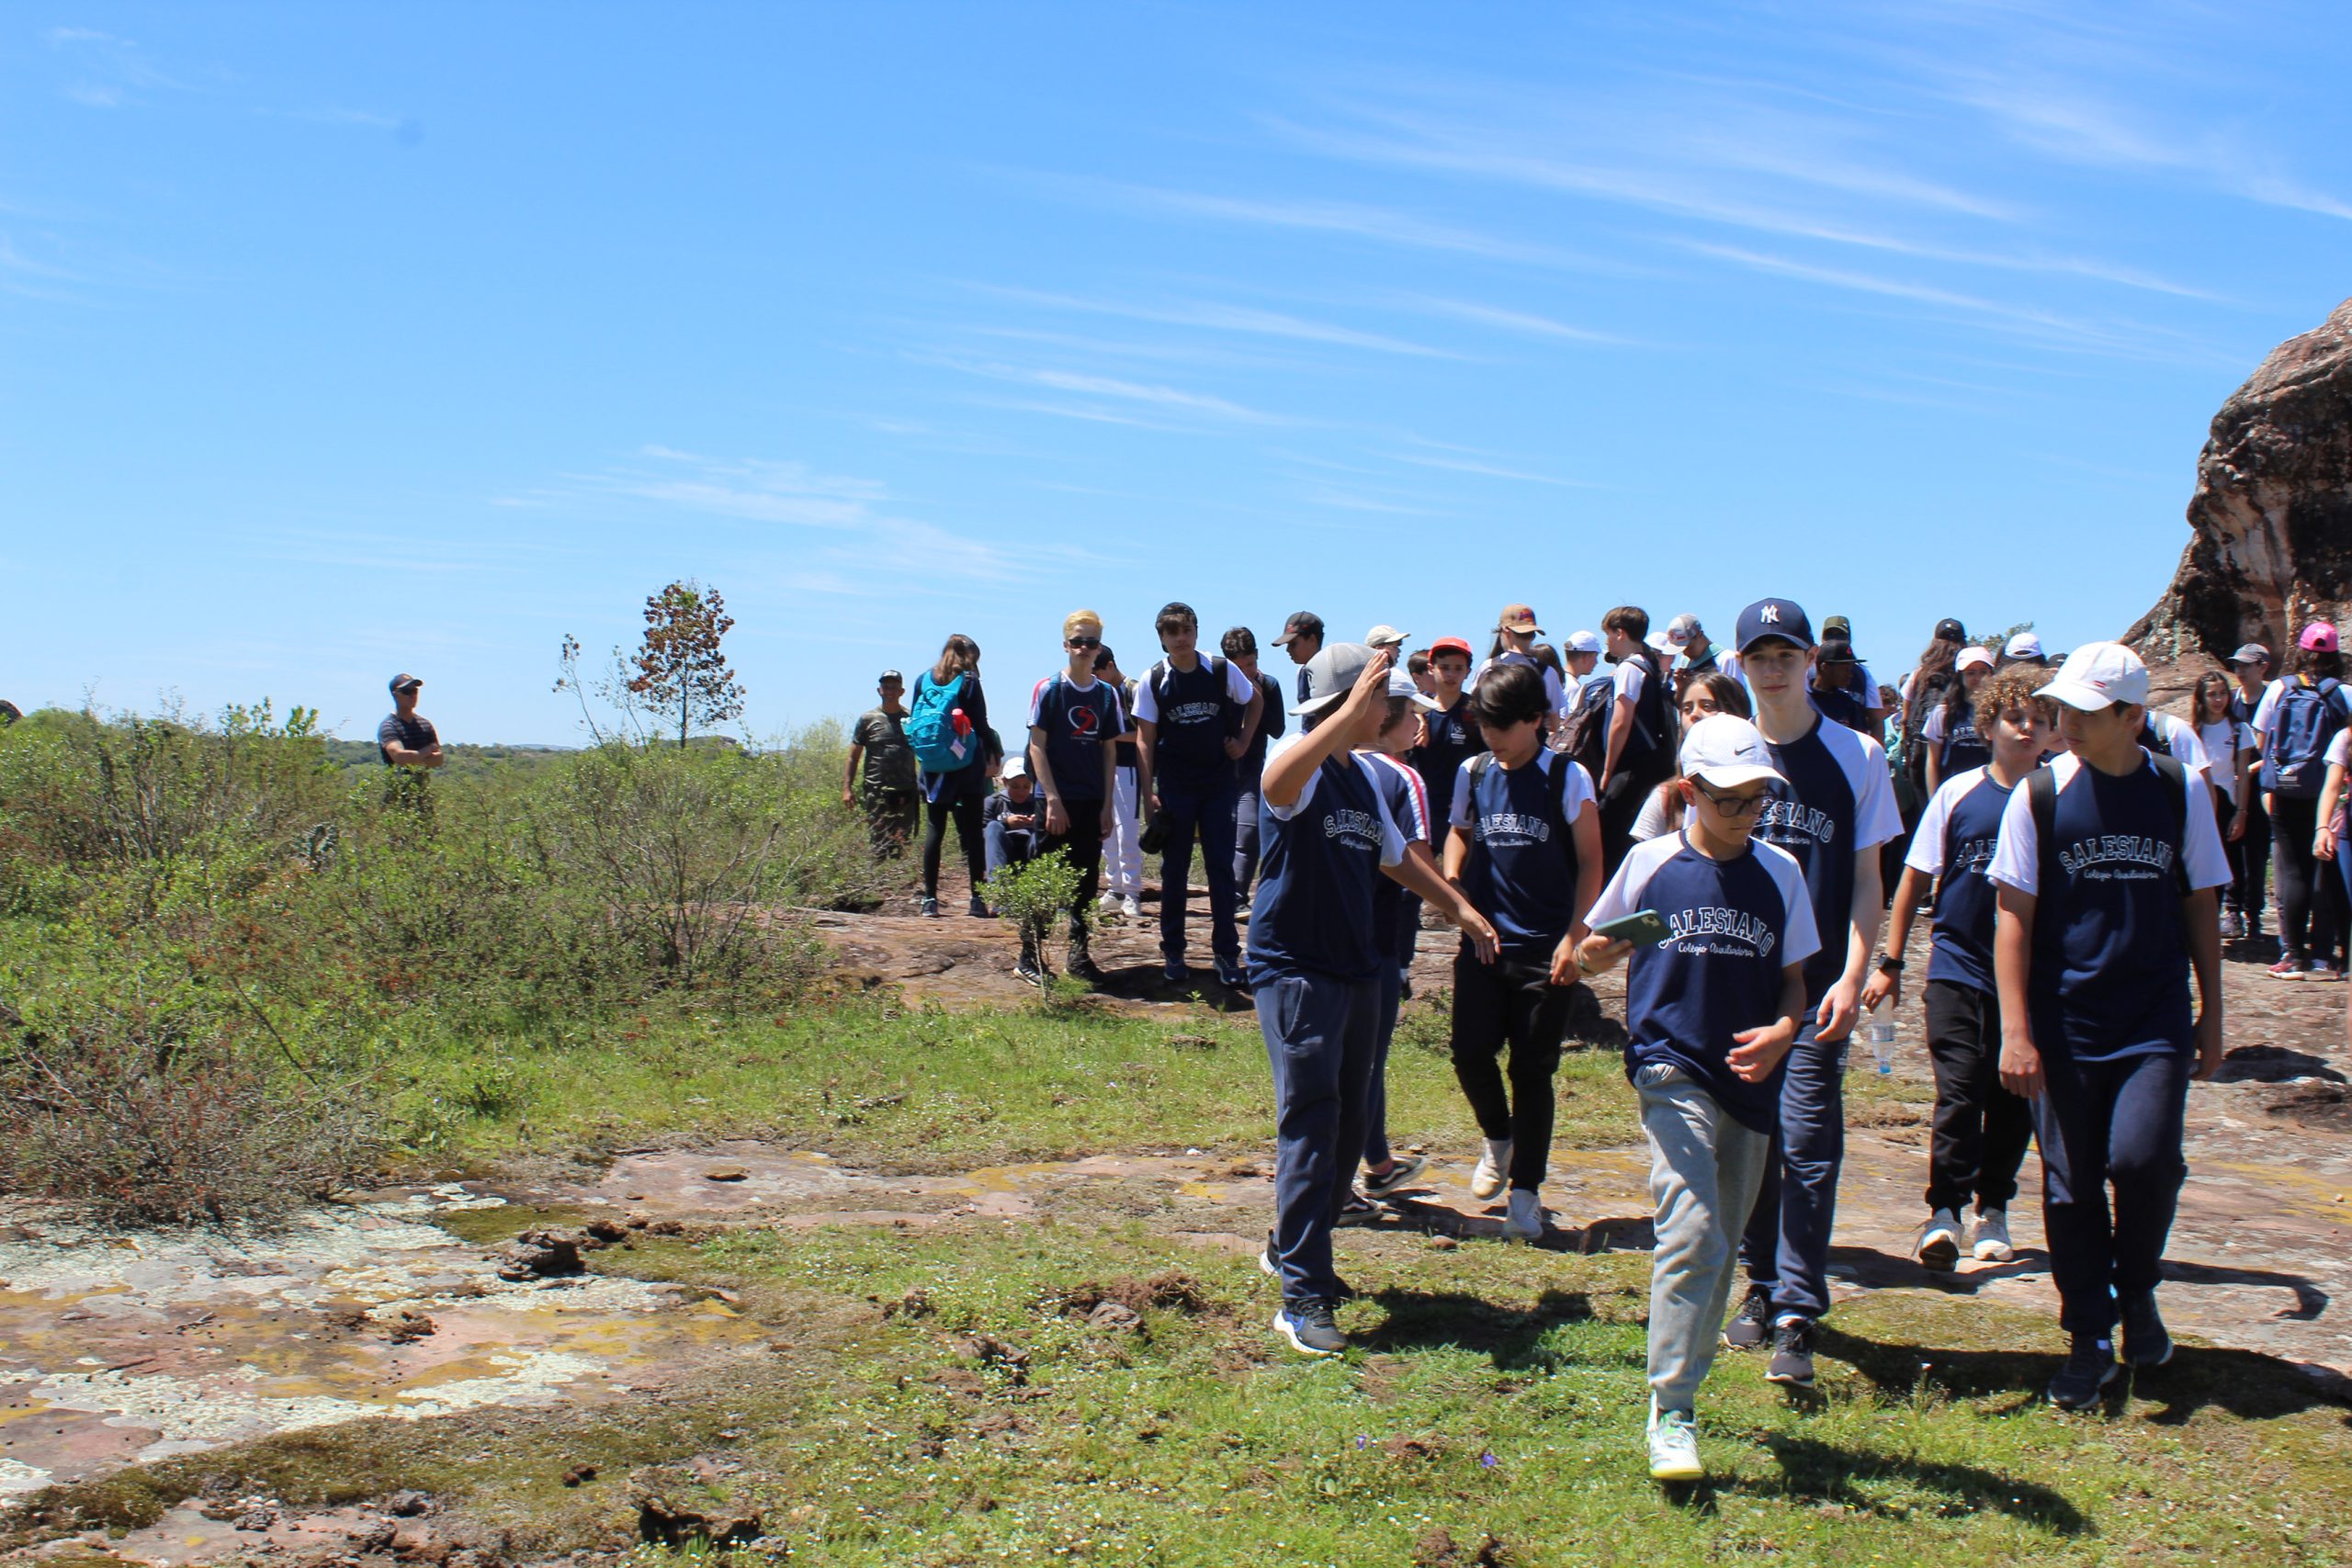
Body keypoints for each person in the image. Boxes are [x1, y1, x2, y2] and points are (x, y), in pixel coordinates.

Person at [1574, 714, 1816, 1483]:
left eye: (1757, 800)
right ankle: (1671, 1407)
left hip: (1749, 1082)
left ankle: (1682, 1387)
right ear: (1690, 792)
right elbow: (1589, 954)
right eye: (1730, 800)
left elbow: (1795, 982)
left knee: (1720, 1245)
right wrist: (1598, 949)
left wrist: (1784, 1030)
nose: (1746, 815)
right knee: (1695, 1228)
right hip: (1668, 1066)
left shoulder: (1781, 872)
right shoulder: (1650, 862)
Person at [1988, 640, 2226, 1407]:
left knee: (2145, 1159)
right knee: (2069, 1185)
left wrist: (2213, 1012)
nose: (2066, 723)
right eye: (2063, 708)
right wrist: (2017, 1031)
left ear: (2131, 716)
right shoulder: (2041, 795)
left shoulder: (2180, 789)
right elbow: (2013, 917)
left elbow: (2200, 904)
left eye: (2086, 712)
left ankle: (2140, 1285)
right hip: (2066, 1022)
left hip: (2151, 1016)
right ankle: (2089, 1332)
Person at [1250, 642, 1498, 1358]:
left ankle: (1290, 1243)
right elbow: (1276, 783)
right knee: (1313, 1119)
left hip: (1358, 967)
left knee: (1354, 1119)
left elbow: (1397, 859)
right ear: (1350, 704)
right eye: (1386, 701)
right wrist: (1351, 710)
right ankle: (1303, 1294)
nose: (1398, 713)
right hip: (1296, 967)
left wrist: (1461, 909)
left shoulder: (1363, 779)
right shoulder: (1295, 765)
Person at [1720, 598, 1901, 1390]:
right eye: (1758, 654)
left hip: (1819, 988)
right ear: (1740, 665)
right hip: (1733, 983)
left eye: (1785, 653)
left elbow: (1868, 881)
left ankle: (1797, 1310)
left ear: (1809, 662)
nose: (1773, 666)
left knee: (1807, 1143)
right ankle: (1759, 1285)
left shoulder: (1856, 753)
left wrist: (1859, 970)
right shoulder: (1723, 749)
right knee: (1751, 1148)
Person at [1863, 664, 2049, 1274]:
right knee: (1961, 1089)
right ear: (1988, 725)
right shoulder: (1958, 793)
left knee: (2012, 1094)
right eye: (2014, 717)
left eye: (2039, 720)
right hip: (1958, 965)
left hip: (2028, 977)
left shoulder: (2055, 796)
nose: (2026, 729)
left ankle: (1992, 1209)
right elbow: (1914, 876)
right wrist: (1890, 961)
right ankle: (1943, 1210)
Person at [1443, 662, 1605, 1243]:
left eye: (1504, 727)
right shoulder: (1474, 772)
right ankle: (1499, 1139)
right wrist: (1455, 884)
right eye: (1485, 725)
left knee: (1532, 1070)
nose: (1493, 738)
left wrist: (1574, 936)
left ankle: (1527, 1197)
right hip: (1484, 942)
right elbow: (1458, 833)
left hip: (1546, 951)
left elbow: (1591, 862)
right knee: (1468, 1053)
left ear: (1536, 719)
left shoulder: (1567, 777)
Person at [1136, 603, 1265, 989]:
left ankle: (1226, 953)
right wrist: (1148, 794)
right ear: (1162, 638)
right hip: (1175, 786)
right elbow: (1144, 737)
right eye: (1172, 632)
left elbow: (1255, 699)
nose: (1180, 638)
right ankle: (1173, 951)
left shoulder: (1219, 669)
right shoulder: (1154, 678)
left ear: (1196, 631)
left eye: (1186, 630)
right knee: (1173, 871)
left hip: (1217, 783)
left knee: (1220, 869)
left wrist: (1243, 740)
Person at [1359, 669, 1446, 1205]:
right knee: (1371, 1056)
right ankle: (1370, 1163)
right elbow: (1417, 860)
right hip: (1385, 934)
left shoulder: (1338, 767)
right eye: (1414, 714)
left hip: (1335, 930)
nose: (1419, 724)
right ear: (1391, 718)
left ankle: (1378, 1158)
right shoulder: (1402, 779)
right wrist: (1460, 905)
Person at [1027, 612, 1125, 983]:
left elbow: (1109, 751)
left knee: (1085, 884)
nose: (1084, 649)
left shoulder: (1106, 695)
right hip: (1054, 801)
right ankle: (1030, 956)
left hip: (1089, 801)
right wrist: (1052, 799)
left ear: (1099, 648)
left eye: (1091, 643)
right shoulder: (1049, 689)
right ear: (1066, 645)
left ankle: (1079, 956)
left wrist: (1106, 806)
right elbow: (1038, 746)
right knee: (1043, 880)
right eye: (1078, 641)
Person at [2256, 624, 2351, 981]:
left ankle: (2293, 957)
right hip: (2328, 791)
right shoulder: (2344, 693)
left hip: (2284, 789)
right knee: (2329, 874)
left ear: (2300, 651)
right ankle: (2328, 956)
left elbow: (2261, 737)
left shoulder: (2280, 689)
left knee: (2292, 871)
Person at [908, 637, 993, 919]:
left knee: (935, 829)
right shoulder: (968, 682)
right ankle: (977, 900)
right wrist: (991, 749)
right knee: (972, 833)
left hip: (933, 766)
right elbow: (980, 724)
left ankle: (929, 899)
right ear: (969, 656)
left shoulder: (923, 680)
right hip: (966, 764)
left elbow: (914, 721)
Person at [1595, 606, 1675, 877]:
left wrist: (1607, 771)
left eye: (1608, 634)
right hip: (1649, 765)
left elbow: (1621, 721)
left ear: (1620, 633)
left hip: (1629, 766)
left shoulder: (1630, 668)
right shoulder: (1650, 664)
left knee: (1611, 833)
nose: (1606, 641)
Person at [1632, 672, 1753, 844]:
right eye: (1686, 708)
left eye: (1707, 706)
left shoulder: (1762, 791)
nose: (1694, 715)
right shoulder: (1667, 796)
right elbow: (1644, 859)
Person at [2190, 671, 2256, 939]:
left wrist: (2241, 812)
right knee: (2202, 861)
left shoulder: (2240, 729)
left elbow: (2243, 773)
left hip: (2228, 803)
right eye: (2212, 694)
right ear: (2202, 699)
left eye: (2222, 693)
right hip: (2201, 803)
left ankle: (2233, 912)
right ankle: (2206, 918)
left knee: (2231, 861)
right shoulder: (2193, 731)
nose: (2218, 699)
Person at [1227, 626, 1288, 898]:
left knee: (1249, 833)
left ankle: (1238, 895)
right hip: (1223, 771)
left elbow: (1277, 729)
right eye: (1239, 668)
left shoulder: (1270, 685)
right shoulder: (1219, 685)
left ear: (1257, 657)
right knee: (1223, 835)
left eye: (1250, 664)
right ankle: (1225, 893)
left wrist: (1257, 699)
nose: (1247, 672)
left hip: (1252, 771)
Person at [1411, 637, 1484, 860]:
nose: (1451, 674)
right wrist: (1417, 716)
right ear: (1431, 669)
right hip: (1425, 810)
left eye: (1458, 668)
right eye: (1444, 668)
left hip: (1463, 810)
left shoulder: (1475, 712)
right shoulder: (1418, 710)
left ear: (1468, 672)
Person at [2225, 643, 2277, 944]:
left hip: (2260, 788)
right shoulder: (2231, 701)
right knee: (2231, 848)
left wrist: (2248, 771)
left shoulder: (2274, 699)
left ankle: (2253, 914)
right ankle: (2233, 910)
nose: (2240, 671)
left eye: (2246, 665)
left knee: (2255, 853)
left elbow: (2273, 748)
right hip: (2233, 787)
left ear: (2263, 667)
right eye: (2237, 665)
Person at [1093, 644, 1147, 921]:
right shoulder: (1100, 692)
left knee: (1127, 831)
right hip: (1105, 768)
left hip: (1128, 768)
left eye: (1099, 672)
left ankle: (1133, 892)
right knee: (1107, 832)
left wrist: (1112, 737)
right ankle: (1114, 888)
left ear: (1110, 666)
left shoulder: (1133, 689)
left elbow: (1146, 733)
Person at [844, 670, 920, 859]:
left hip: (906, 788)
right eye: (886, 687)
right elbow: (853, 756)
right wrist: (847, 789)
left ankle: (900, 884)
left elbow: (923, 751)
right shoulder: (868, 719)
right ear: (879, 690)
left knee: (903, 841)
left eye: (894, 687)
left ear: (902, 691)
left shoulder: (911, 719)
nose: (890, 691)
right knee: (878, 840)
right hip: (876, 789)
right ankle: (880, 883)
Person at [1468, 604, 1572, 725]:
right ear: (1533, 635)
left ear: (1506, 631)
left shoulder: (1488, 667)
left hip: (1494, 741)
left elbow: (1473, 711)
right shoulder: (1548, 673)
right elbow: (1554, 724)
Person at [1922, 647, 1996, 795]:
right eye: (1971, 673)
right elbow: (1932, 761)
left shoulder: (1999, 713)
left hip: (1990, 792)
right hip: (1953, 793)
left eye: (1983, 672)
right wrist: (1934, 799)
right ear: (1960, 677)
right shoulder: (1944, 712)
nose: (1977, 678)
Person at [1808, 637, 1876, 735]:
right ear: (1825, 668)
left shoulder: (1847, 703)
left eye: (1851, 668)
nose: (1850, 674)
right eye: (1845, 668)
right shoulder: (1802, 700)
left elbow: (1858, 740)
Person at [379, 673, 444, 771]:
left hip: (422, 785)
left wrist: (413, 761)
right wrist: (428, 750)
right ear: (395, 694)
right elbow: (400, 757)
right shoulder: (389, 726)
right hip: (398, 785)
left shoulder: (425, 725)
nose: (412, 695)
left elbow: (439, 759)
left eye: (414, 691)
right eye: (407, 691)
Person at [1273, 611, 1326, 706]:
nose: (1288, 650)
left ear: (1312, 640)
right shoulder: (1302, 673)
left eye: (1293, 644)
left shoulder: (1331, 672)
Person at [1668, 614, 1724, 680]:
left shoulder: (1724, 659)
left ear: (1699, 635)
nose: (1684, 653)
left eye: (1687, 647)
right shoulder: (1685, 662)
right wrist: (1680, 687)